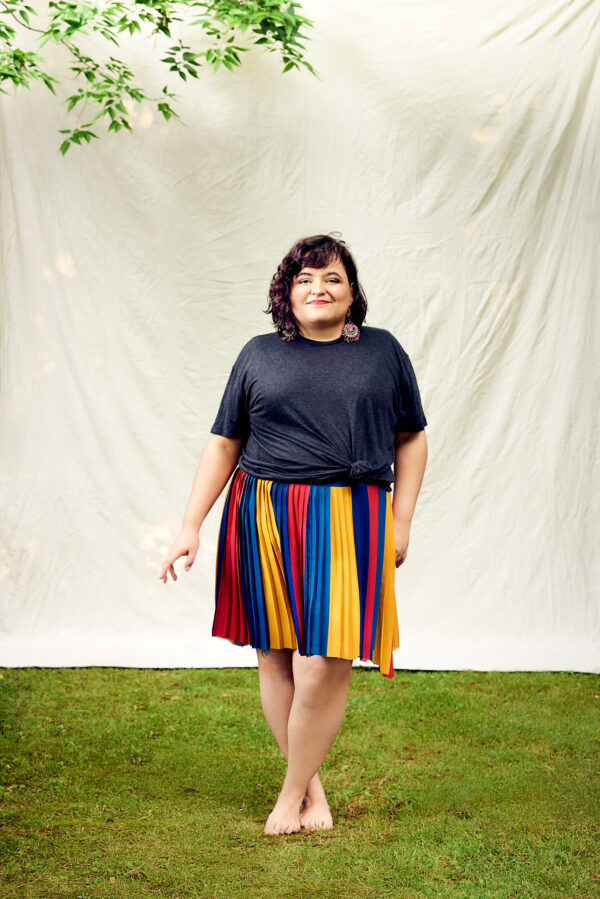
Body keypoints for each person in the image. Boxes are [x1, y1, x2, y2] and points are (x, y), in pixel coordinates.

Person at [159, 233, 428, 835]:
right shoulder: (259, 353)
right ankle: (312, 791)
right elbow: (225, 442)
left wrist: (401, 520)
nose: (319, 288)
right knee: (277, 660)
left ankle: (287, 794)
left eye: (332, 278)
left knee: (326, 663)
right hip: (262, 513)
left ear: (352, 291)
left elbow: (410, 436)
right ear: (287, 291)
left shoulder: (382, 352)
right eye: (305, 279)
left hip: (350, 516)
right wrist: (189, 528)